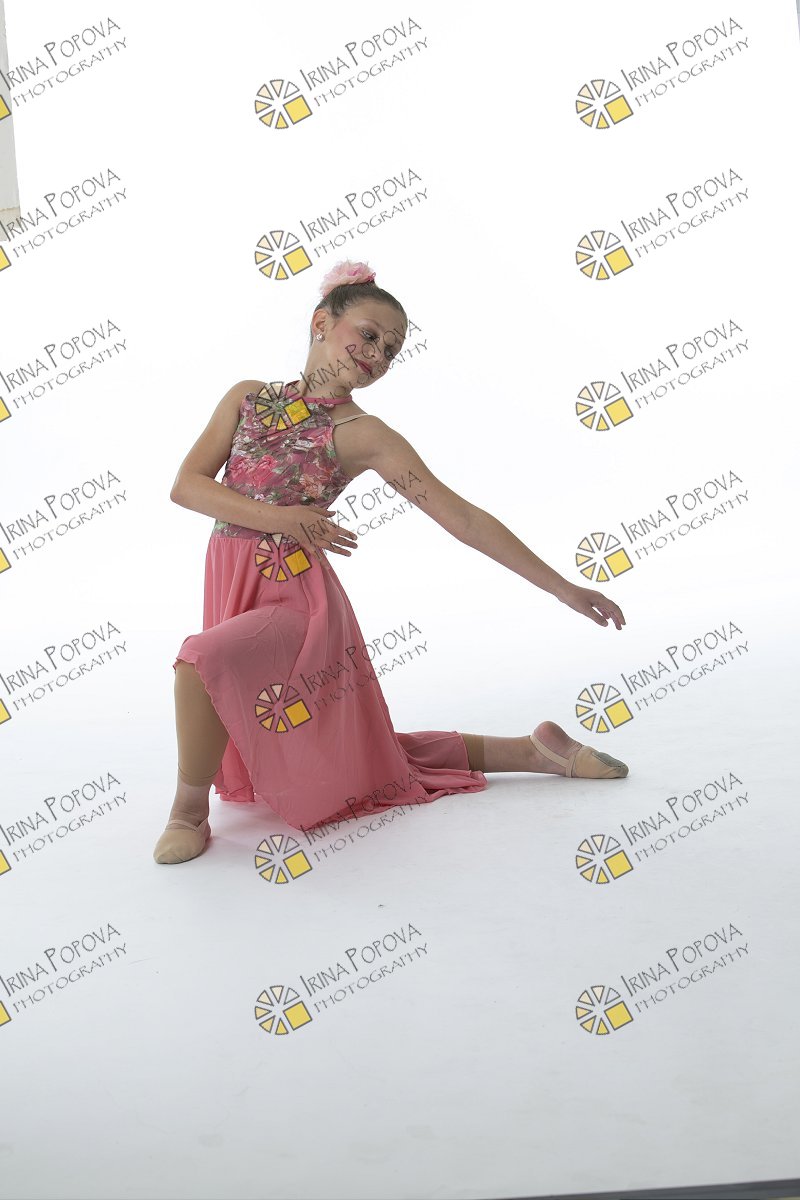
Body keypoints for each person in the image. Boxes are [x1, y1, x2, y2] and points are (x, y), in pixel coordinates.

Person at [154, 260, 629, 865]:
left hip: (295, 599)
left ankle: (187, 812)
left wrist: (563, 587)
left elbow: (462, 518)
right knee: (362, 753)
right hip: (233, 581)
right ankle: (532, 750)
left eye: (391, 350)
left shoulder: (364, 434)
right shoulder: (247, 398)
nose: (378, 354)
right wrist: (286, 518)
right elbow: (187, 487)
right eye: (370, 334)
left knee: (200, 660)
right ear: (321, 323)